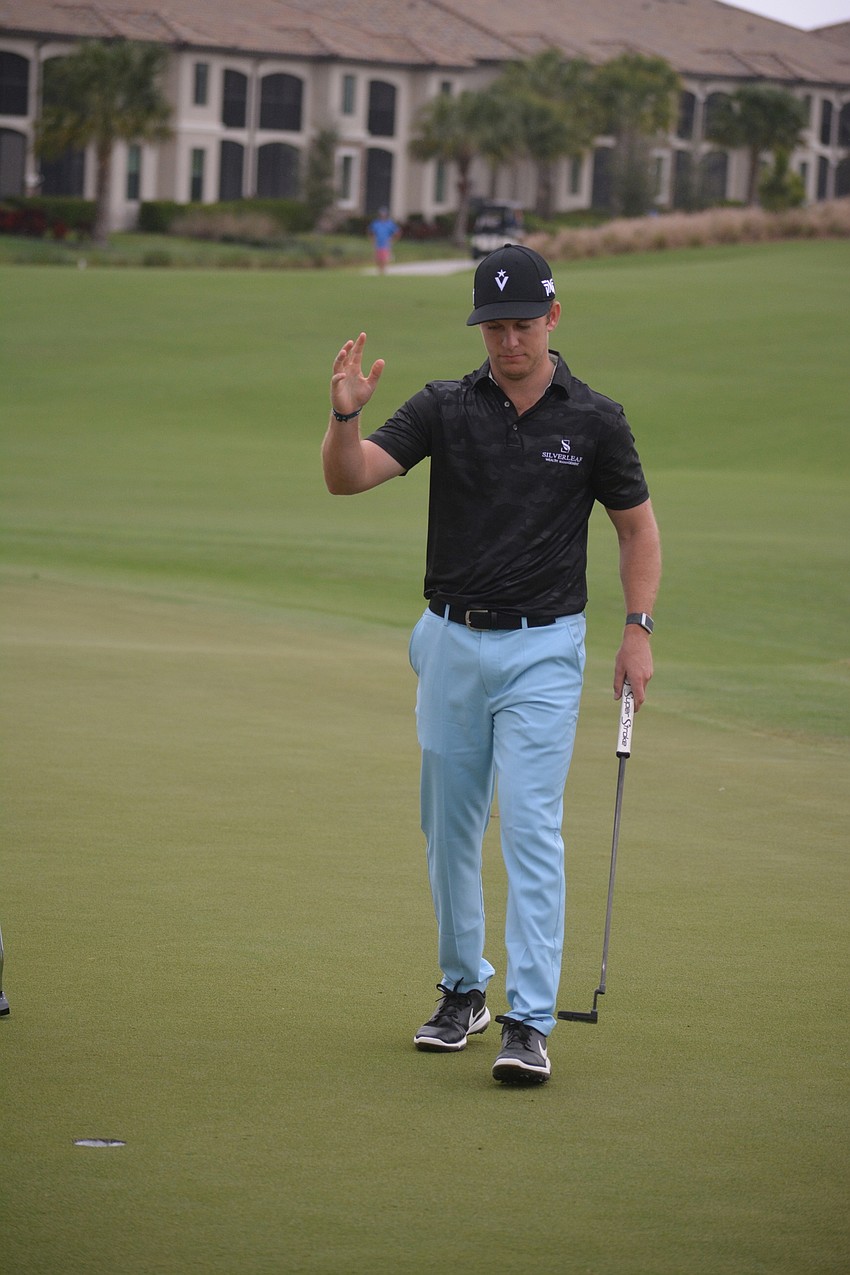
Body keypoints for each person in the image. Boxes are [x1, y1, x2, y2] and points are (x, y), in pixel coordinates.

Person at [322, 244, 660, 1085]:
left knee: (533, 828)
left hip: (545, 645)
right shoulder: (443, 406)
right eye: (493, 327)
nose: (507, 341)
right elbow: (350, 478)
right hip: (448, 639)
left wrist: (638, 630)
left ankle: (529, 1018)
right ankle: (463, 990)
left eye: (521, 324)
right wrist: (343, 417)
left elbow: (636, 530)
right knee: (449, 830)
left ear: (553, 317)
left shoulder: (595, 419)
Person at [368, 207, 401, 273]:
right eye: (381, 214)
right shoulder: (376, 223)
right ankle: (379, 270)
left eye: (384, 214)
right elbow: (371, 232)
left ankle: (383, 270)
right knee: (378, 257)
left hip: (386, 243)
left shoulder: (390, 223)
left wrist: (392, 240)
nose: (383, 216)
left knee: (385, 257)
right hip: (378, 242)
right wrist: (372, 240)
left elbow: (397, 232)